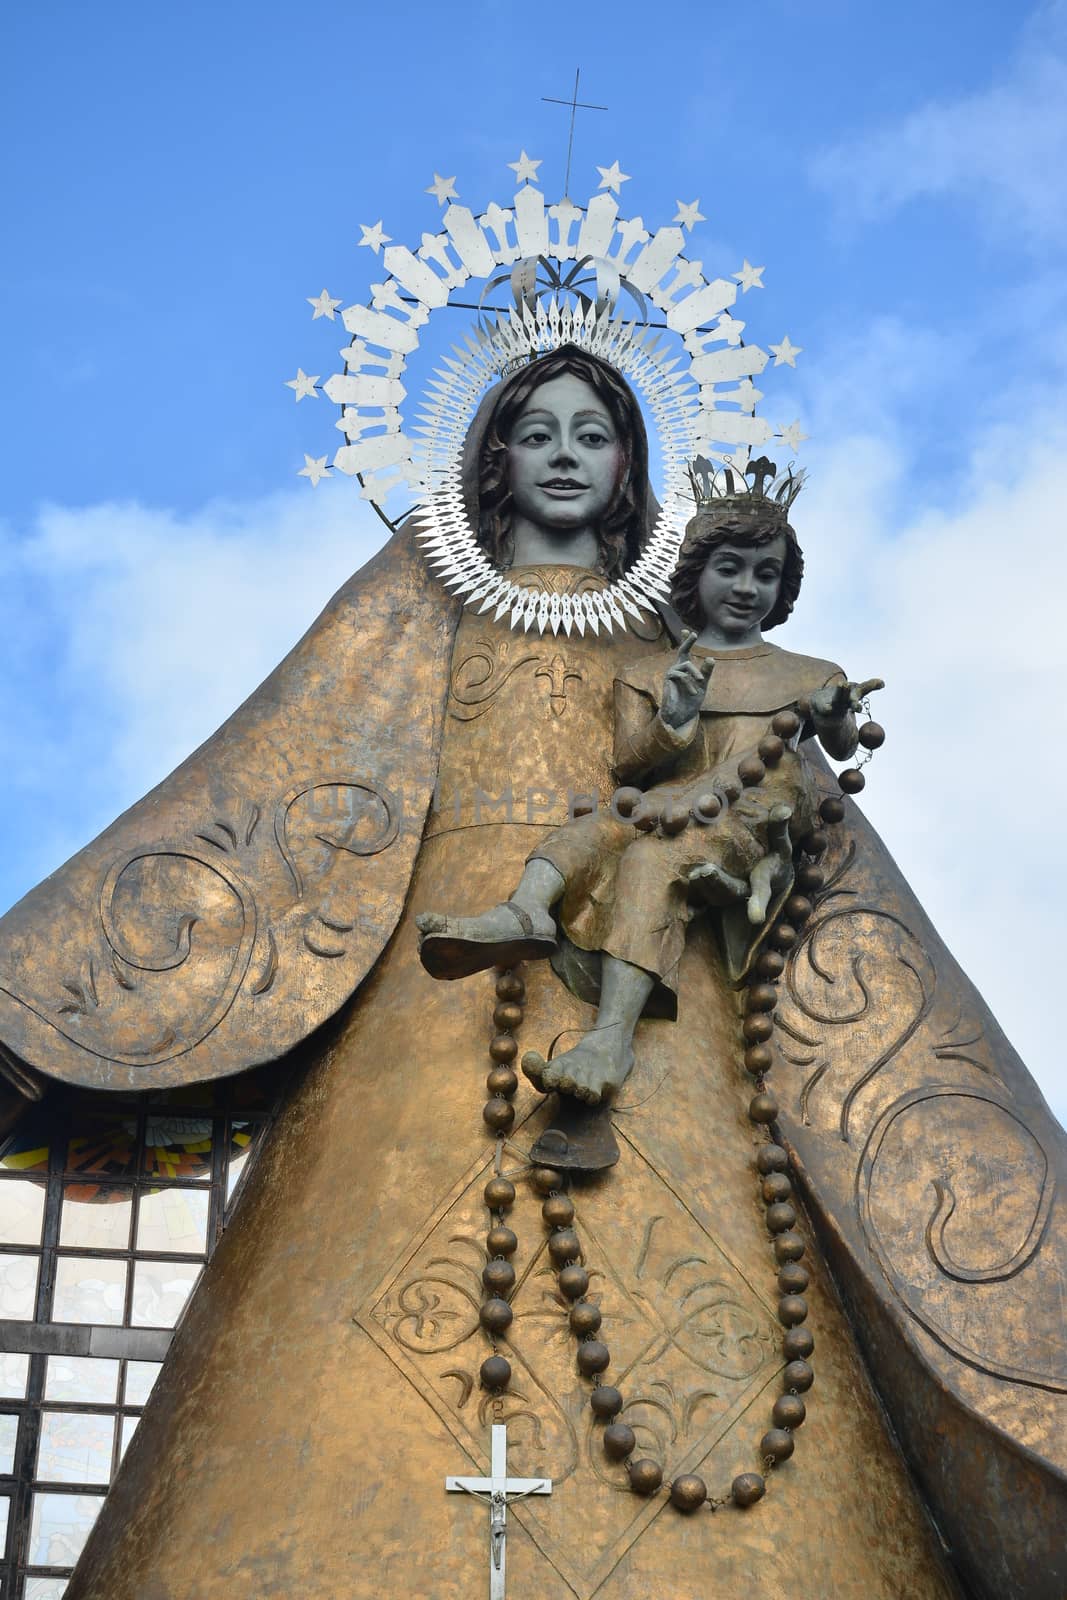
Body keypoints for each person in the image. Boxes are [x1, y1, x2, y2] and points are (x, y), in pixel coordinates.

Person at [417, 490, 881, 1104]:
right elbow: (629, 766)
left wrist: (836, 714)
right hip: (671, 801)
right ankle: (526, 910)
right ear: (695, 575)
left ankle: (611, 1041)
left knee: (648, 864)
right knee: (595, 828)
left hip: (751, 812)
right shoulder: (652, 671)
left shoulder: (809, 671)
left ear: (784, 587)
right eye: (729, 568)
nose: (747, 586)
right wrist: (675, 718)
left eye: (765, 573)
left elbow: (845, 744)